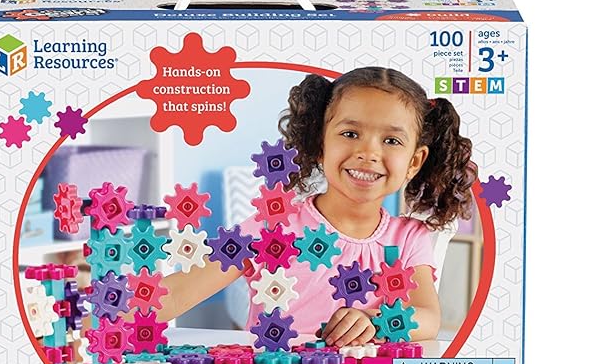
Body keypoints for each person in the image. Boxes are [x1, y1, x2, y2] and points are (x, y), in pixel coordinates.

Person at [157, 67, 477, 347]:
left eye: (391, 140)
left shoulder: (407, 239)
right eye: (350, 133)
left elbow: (428, 317)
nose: (368, 152)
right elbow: (177, 293)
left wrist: (374, 321)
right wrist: (127, 309)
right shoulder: (272, 228)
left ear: (414, 161)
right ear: (320, 144)